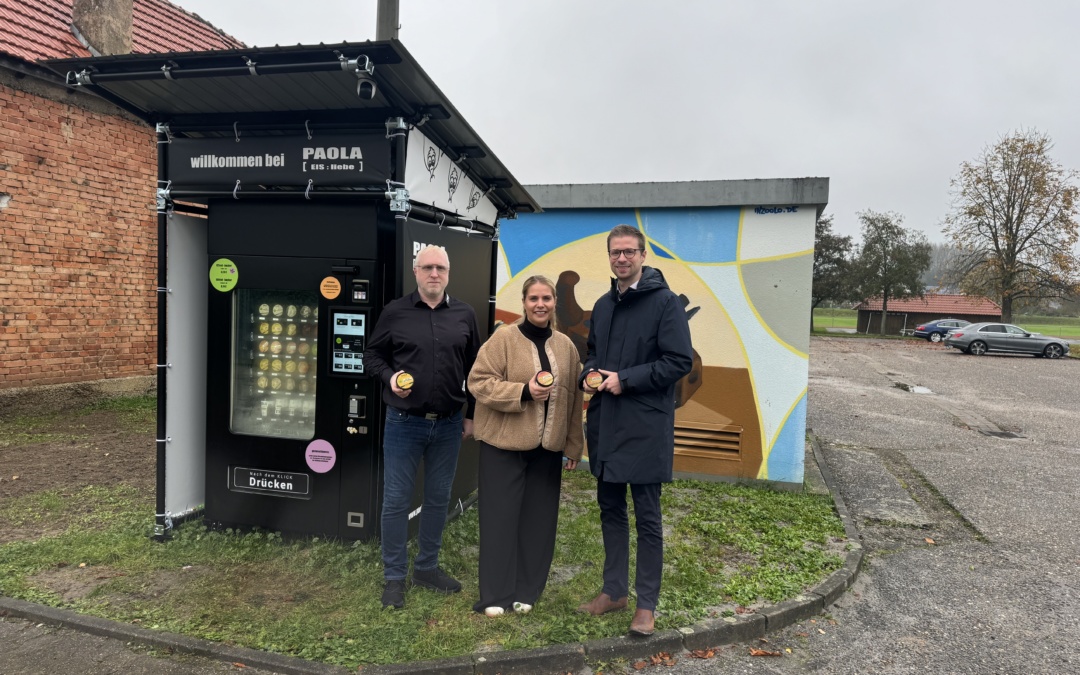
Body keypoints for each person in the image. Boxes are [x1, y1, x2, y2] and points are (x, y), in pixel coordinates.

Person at [577, 224, 693, 636]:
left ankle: (646, 605)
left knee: (647, 517)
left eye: (629, 252)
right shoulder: (603, 305)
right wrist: (589, 375)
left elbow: (679, 362)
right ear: (608, 256)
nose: (621, 259)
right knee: (610, 510)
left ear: (643, 255)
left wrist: (625, 379)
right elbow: (593, 355)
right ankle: (614, 591)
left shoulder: (665, 304)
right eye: (615, 252)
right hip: (607, 426)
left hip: (644, 427)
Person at [364, 244, 481, 610]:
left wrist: (471, 414)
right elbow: (371, 356)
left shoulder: (464, 314)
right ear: (416, 272)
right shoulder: (395, 312)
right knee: (396, 501)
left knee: (438, 499)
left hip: (447, 425)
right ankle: (394, 578)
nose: (434, 273)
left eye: (441, 268)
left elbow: (477, 368)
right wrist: (391, 375)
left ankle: (426, 568)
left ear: (448, 274)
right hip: (403, 423)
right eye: (427, 267)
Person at [467, 275, 585, 617]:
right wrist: (522, 391)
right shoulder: (503, 338)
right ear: (524, 302)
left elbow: (573, 400)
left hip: (546, 450)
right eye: (533, 298)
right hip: (503, 445)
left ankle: (527, 590)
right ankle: (495, 595)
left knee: (538, 522)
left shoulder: (566, 346)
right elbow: (478, 381)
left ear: (553, 303)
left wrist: (574, 445)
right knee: (499, 520)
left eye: (546, 298)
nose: (540, 304)